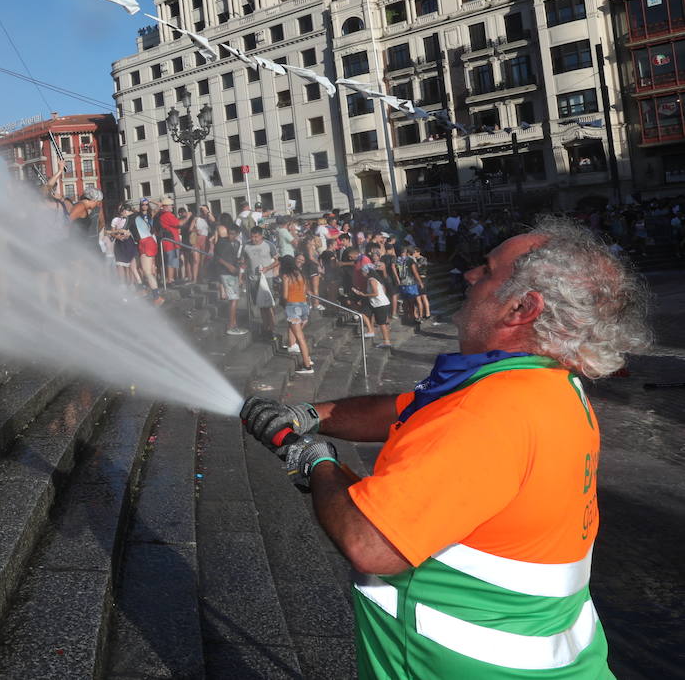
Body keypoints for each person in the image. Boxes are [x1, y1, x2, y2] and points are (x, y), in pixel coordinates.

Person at [240, 217, 651, 680]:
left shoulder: (488, 412)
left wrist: (315, 460)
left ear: (521, 308)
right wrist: (311, 414)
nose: (471, 276)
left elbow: (370, 544)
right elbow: (400, 409)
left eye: (489, 271)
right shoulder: (548, 384)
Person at [241, 226, 279, 339]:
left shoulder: (269, 245)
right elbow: (244, 261)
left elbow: (278, 260)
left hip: (266, 278)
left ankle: (272, 328)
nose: (254, 239)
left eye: (256, 237)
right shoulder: (246, 246)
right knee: (261, 305)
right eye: (252, 236)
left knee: (269, 305)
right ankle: (265, 327)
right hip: (253, 279)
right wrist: (242, 272)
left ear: (261, 236)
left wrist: (268, 268)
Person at [278, 255, 314, 374]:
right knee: (300, 336)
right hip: (303, 305)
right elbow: (304, 291)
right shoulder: (300, 274)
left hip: (292, 306)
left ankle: (307, 366)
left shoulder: (286, 276)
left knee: (300, 338)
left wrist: (283, 304)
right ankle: (307, 359)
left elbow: (285, 295)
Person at [210, 221, 247, 335]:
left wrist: (239, 263)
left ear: (237, 234)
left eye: (234, 234)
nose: (231, 236)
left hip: (234, 273)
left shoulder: (237, 243)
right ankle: (231, 326)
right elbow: (217, 258)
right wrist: (229, 266)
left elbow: (236, 258)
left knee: (234, 299)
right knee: (234, 299)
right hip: (225, 272)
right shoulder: (221, 242)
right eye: (230, 233)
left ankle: (234, 324)